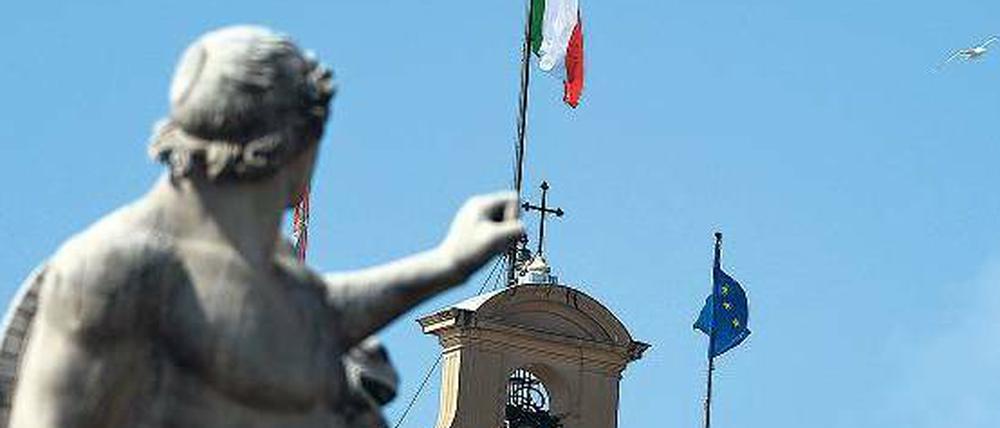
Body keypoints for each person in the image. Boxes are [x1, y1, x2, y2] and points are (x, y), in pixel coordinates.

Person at [7, 25, 522, 428]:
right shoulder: (118, 269)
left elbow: (312, 310)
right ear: (300, 145)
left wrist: (448, 263)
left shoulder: (277, 282)